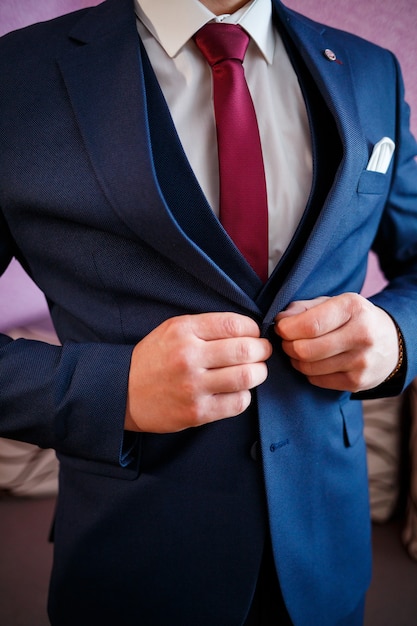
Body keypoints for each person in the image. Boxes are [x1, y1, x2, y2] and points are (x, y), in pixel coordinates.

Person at [1, 0, 417, 624]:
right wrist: (113, 392)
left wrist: (396, 336)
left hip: (328, 564)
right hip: (132, 571)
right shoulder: (18, 75)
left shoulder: (370, 69)